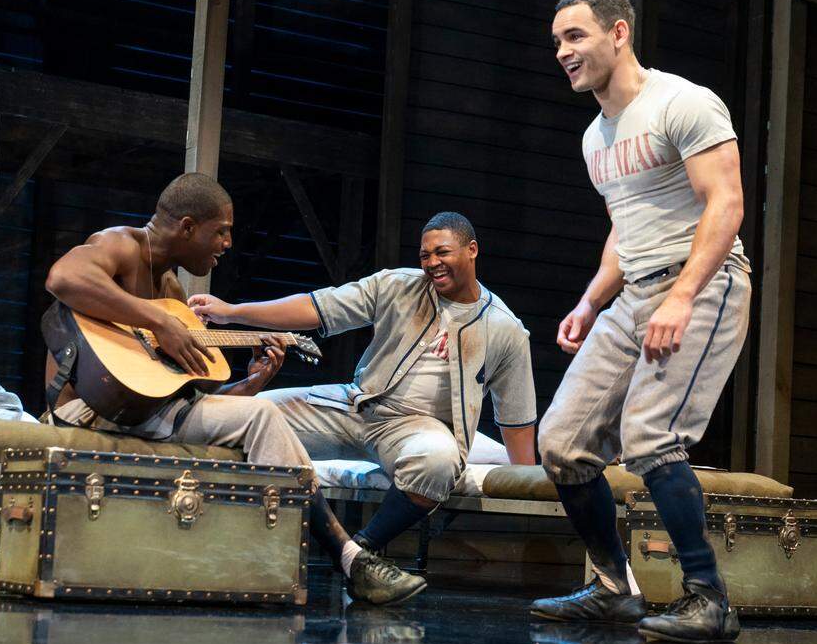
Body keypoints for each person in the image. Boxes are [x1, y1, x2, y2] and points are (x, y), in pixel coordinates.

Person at [43, 172, 426, 605]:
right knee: (264, 417)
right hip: (89, 407)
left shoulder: (170, 289)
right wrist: (159, 322)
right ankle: (350, 557)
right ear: (188, 227)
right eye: (221, 231)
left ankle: (283, 564)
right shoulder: (121, 245)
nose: (227, 244)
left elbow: (180, 403)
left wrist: (251, 384)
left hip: (142, 412)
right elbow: (62, 278)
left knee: (260, 409)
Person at [529, 0, 751, 642]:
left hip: (705, 283)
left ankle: (708, 598)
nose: (564, 53)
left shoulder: (682, 103)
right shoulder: (595, 138)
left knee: (651, 435)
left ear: (618, 33)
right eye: (557, 43)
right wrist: (590, 301)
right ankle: (613, 588)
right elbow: (626, 232)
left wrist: (682, 294)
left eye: (575, 37)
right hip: (633, 297)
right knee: (561, 444)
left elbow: (727, 204)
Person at [189, 212, 538, 554]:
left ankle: (359, 551)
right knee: (245, 415)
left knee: (439, 462)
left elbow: (516, 415)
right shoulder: (398, 285)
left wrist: (528, 484)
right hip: (353, 406)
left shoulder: (504, 329)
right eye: (425, 255)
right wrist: (231, 312)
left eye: (442, 252)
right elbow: (316, 307)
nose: (432, 263)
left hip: (415, 428)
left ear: (471, 250)